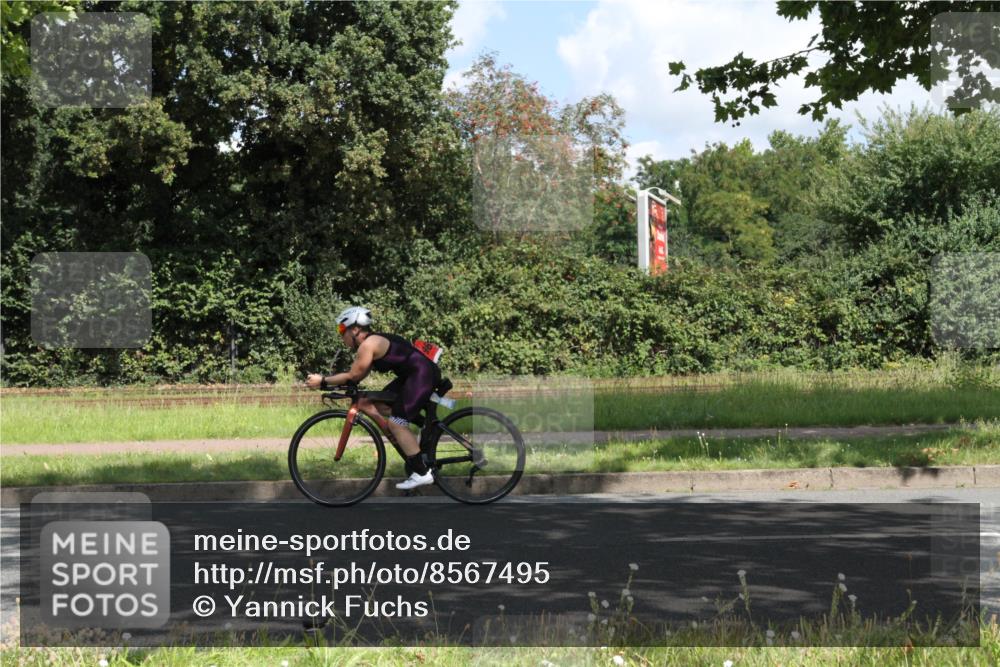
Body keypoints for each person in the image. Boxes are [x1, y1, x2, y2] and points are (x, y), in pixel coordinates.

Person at [305, 306, 441, 490]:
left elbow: (353, 376)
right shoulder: (372, 342)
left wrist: (322, 381)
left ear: (355, 330)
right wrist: (331, 382)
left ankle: (422, 473)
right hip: (414, 374)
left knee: (396, 423)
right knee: (380, 404)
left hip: (421, 375)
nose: (341, 336)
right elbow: (358, 376)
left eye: (341, 330)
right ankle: (427, 428)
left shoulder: (368, 345)